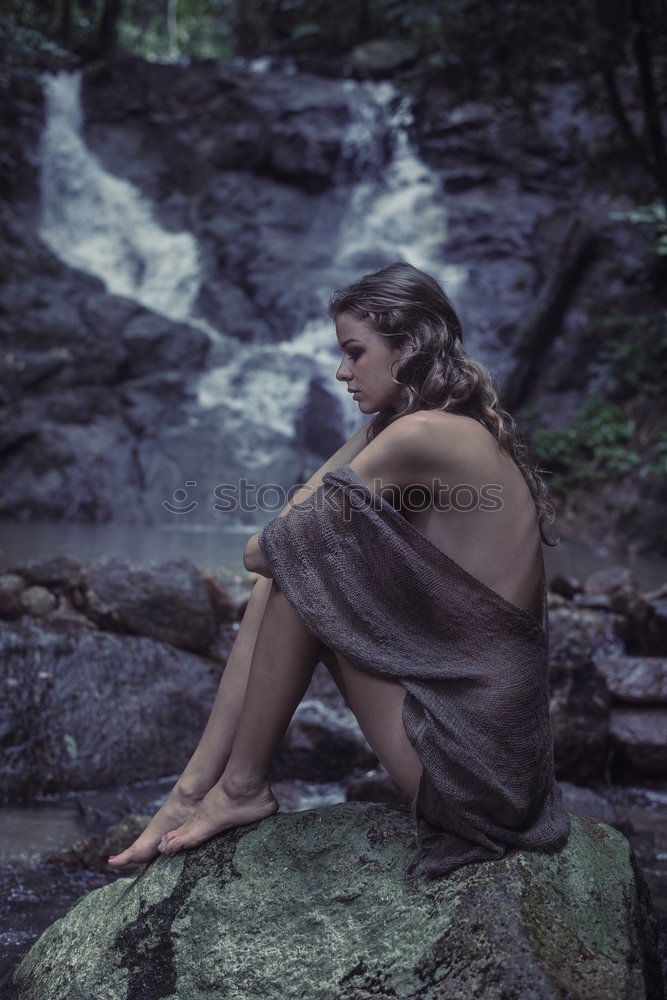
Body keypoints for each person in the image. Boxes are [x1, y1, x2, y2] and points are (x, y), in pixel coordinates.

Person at [109, 260, 563, 870]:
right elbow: (290, 537)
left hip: (475, 773)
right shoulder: (450, 430)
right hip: (503, 768)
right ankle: (194, 792)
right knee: (298, 568)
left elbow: (264, 548)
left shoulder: (423, 436)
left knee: (299, 576)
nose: (341, 372)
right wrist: (377, 425)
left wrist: (376, 432)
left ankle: (236, 789)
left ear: (410, 346)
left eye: (355, 352)